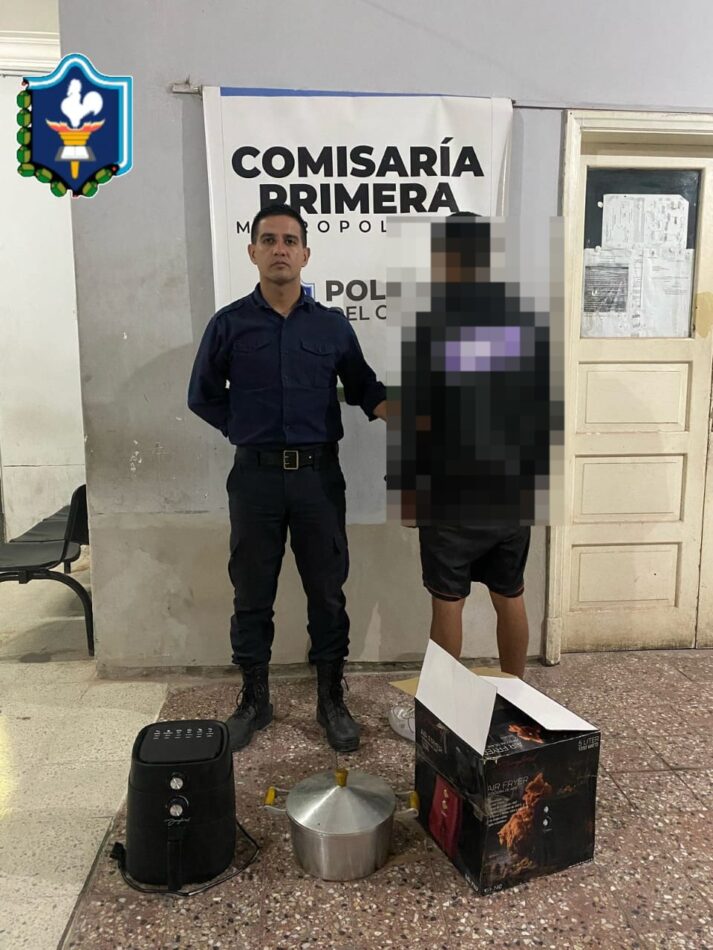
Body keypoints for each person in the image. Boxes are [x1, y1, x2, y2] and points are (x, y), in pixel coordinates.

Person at [188, 203, 386, 753]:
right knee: (252, 592)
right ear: (252, 251)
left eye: (290, 240)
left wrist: (404, 412)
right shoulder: (229, 324)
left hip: (318, 481)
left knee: (327, 592)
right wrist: (242, 428)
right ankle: (255, 699)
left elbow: (364, 387)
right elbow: (202, 395)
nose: (280, 249)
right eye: (270, 240)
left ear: (305, 254)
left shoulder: (331, 326)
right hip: (255, 482)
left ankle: (331, 699)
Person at [388, 213, 553, 741]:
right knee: (511, 595)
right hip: (509, 492)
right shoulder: (523, 323)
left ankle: (438, 715)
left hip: (452, 494)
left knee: (448, 602)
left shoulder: (433, 325)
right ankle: (518, 703)